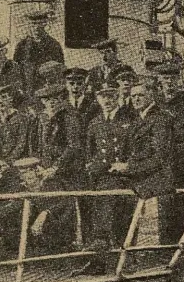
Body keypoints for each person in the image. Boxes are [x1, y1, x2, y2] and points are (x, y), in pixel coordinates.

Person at [109, 77, 175, 245]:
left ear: (151, 96)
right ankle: (119, 248)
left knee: (118, 192)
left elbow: (160, 158)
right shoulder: (138, 119)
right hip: (140, 174)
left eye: (140, 95)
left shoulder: (160, 119)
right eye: (133, 96)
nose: (136, 99)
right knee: (107, 186)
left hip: (156, 176)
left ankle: (125, 249)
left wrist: (129, 168)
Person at [85, 82, 136, 251]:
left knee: (125, 217)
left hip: (124, 176)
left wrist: (128, 167)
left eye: (111, 96)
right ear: (98, 99)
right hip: (102, 176)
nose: (107, 100)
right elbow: (90, 151)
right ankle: (101, 251)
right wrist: (94, 166)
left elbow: (135, 149)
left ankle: (127, 254)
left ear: (118, 97)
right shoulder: (94, 123)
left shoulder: (128, 120)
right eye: (103, 96)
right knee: (102, 210)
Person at [0, 157, 77, 255]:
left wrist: (45, 213)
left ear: (37, 172)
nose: (28, 175)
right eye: (23, 173)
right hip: (34, 233)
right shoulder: (21, 188)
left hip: (55, 228)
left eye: (31, 171)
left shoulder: (51, 185)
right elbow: (14, 205)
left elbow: (64, 204)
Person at [157, 62, 184, 244]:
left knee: (181, 199)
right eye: (166, 79)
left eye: (173, 78)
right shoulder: (156, 101)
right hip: (162, 158)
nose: (170, 82)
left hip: (181, 156)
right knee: (164, 200)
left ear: (179, 79)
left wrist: (168, 135)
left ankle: (181, 243)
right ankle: (165, 245)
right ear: (159, 80)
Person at [29, 83, 85, 191]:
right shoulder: (39, 118)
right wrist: (38, 165)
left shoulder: (70, 117)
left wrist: (55, 167)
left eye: (55, 98)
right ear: (42, 101)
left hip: (66, 169)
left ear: (60, 99)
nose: (52, 102)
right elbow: (34, 145)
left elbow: (73, 147)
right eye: (47, 99)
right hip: (43, 167)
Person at [14, 11, 65, 94]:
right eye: (33, 24)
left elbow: (60, 70)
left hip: (47, 90)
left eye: (39, 23)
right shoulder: (21, 46)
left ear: (45, 24)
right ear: (29, 25)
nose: (36, 27)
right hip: (28, 90)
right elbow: (16, 70)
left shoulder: (53, 45)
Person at [0, 85, 34, 161]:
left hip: (16, 162)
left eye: (3, 97)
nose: (0, 101)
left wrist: (8, 161)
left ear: (10, 99)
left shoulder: (22, 118)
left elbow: (21, 144)